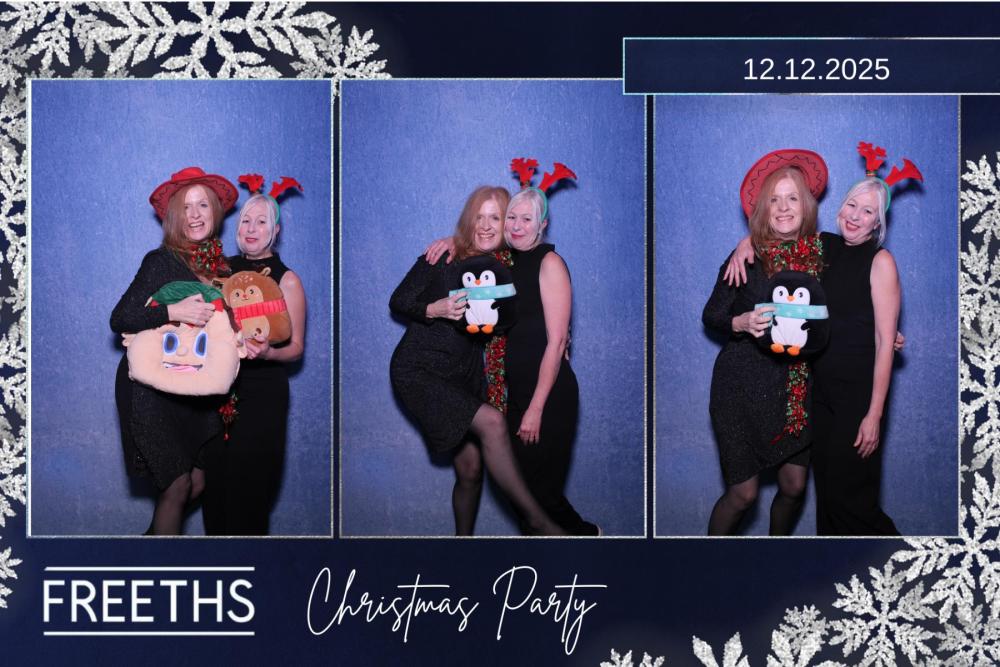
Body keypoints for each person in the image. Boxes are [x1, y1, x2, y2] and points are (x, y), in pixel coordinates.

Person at [724, 144, 917, 535]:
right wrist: (746, 243)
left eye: (868, 212)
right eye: (851, 206)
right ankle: (837, 569)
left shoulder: (881, 261)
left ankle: (902, 564)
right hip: (821, 392)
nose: (856, 217)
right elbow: (778, 237)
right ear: (840, 208)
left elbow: (884, 344)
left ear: (878, 223)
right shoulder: (824, 247)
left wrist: (874, 415)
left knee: (853, 501)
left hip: (857, 397)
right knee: (828, 496)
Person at [390, 185, 565, 536]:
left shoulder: (505, 269)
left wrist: (560, 333)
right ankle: (539, 521)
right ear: (468, 221)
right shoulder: (445, 256)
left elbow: (529, 311)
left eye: (495, 218)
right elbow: (399, 300)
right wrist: (435, 308)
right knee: (493, 423)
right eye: (479, 217)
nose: (485, 225)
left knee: (470, 470)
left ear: (506, 225)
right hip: (420, 369)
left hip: (465, 375)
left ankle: (463, 548)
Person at [702, 150, 829, 536]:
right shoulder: (746, 257)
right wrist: (739, 322)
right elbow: (711, 316)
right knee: (743, 495)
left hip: (792, 387)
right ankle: (703, 564)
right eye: (774, 199)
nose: (784, 207)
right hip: (740, 388)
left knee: (794, 487)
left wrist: (882, 330)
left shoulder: (822, 256)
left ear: (806, 205)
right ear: (763, 209)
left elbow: (852, 295)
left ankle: (776, 555)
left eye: (792, 198)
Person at [111, 166, 238, 535]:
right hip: (151, 390)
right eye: (185, 207)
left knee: (196, 484)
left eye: (203, 205)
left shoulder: (220, 269)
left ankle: (144, 553)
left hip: (193, 391)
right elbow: (120, 318)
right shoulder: (161, 260)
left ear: (215, 212)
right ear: (173, 217)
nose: (194, 214)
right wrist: (172, 311)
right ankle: (159, 566)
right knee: (177, 483)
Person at [202, 190, 306, 535]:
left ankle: (253, 563)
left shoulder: (287, 280)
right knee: (215, 492)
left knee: (251, 494)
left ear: (275, 230)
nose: (251, 228)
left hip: (263, 395)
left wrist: (269, 353)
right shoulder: (220, 271)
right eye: (246, 220)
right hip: (217, 393)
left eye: (261, 221)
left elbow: (296, 348)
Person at [501, 186, 599, 535]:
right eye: (511, 217)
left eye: (526, 219)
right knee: (520, 493)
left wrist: (536, 408)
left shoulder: (549, 263)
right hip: (517, 395)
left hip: (548, 397)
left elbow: (556, 342)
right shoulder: (504, 264)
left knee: (541, 494)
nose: (517, 225)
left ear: (542, 224)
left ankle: (587, 537)